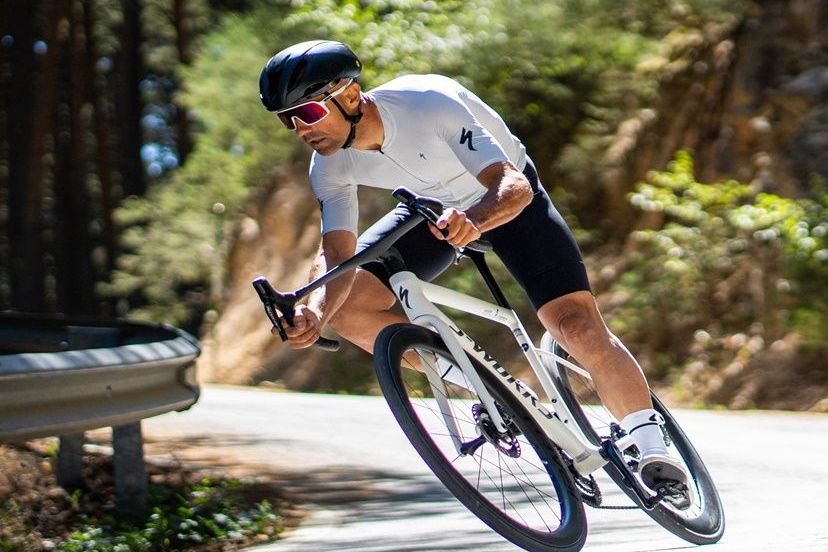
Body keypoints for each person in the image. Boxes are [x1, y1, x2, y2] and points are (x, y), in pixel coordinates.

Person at [258, 40, 692, 502]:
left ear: (348, 95)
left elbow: (513, 185)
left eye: (304, 113)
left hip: (507, 200)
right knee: (348, 309)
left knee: (574, 325)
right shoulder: (328, 164)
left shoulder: (427, 105)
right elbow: (337, 249)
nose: (298, 129)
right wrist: (315, 312)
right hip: (433, 209)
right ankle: (491, 392)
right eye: (286, 120)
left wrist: (477, 221)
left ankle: (650, 445)